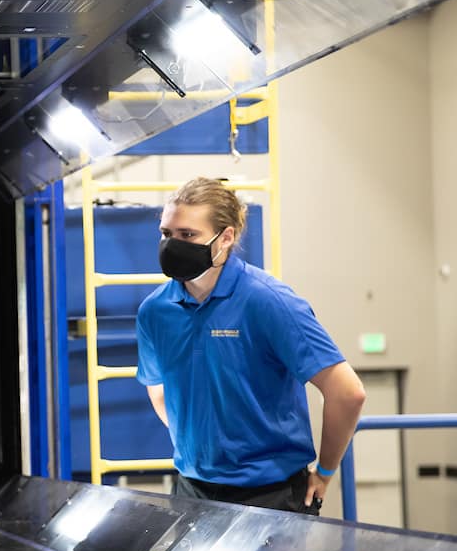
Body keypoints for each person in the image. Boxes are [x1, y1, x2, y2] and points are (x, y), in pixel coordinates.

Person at [135, 178, 365, 514]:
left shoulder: (268, 301)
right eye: (166, 233)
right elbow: (157, 388)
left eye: (188, 235)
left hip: (271, 496)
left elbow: (347, 392)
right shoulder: (155, 311)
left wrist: (326, 472)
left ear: (225, 238)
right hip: (191, 491)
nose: (173, 245)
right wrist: (204, 442)